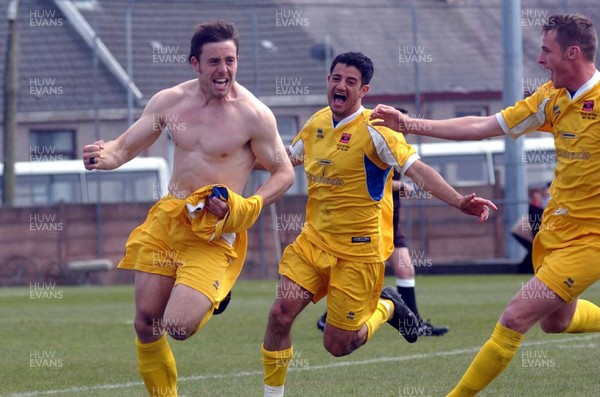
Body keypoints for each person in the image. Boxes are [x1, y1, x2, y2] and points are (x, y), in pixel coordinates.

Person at [371, 13, 600, 396]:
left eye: (547, 51)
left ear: (572, 53)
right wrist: (409, 124)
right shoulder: (552, 98)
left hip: (591, 240)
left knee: (514, 318)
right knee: (556, 322)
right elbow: (482, 125)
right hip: (557, 232)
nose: (540, 60)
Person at [261, 52, 495, 397]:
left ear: (364, 90)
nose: (341, 85)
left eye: (350, 82)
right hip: (312, 244)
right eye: (336, 78)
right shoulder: (316, 124)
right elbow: (283, 158)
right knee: (280, 315)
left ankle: (387, 306)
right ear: (328, 81)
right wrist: (227, 156)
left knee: (337, 345)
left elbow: (418, 170)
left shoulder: (377, 130)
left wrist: (459, 201)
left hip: (358, 253)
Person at [83, 21, 294, 397]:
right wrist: (104, 156)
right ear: (195, 63)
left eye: (230, 60)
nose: (223, 70)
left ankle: (216, 293)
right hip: (169, 220)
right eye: (214, 61)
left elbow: (284, 171)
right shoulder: (170, 101)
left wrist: (247, 205)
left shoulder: (254, 115)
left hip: (214, 231)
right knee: (147, 323)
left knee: (177, 327)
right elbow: (127, 145)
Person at [316, 170, 449, 336]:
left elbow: (416, 170)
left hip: (391, 223)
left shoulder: (398, 149)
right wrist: (399, 186)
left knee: (405, 270)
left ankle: (415, 324)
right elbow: (362, 179)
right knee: (363, 280)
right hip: (371, 225)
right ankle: (329, 317)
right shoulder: (375, 147)